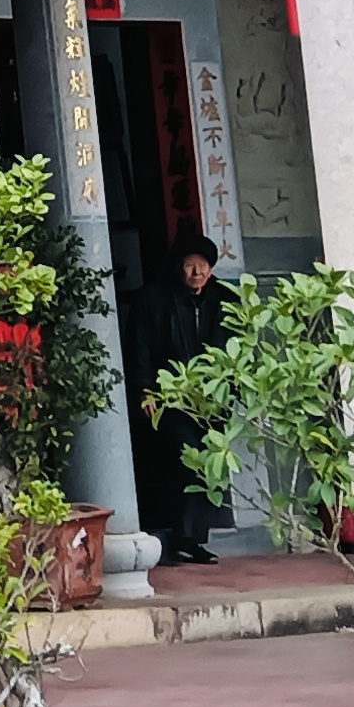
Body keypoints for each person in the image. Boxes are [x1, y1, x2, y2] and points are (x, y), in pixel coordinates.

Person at [125, 237, 234, 567]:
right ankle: (181, 536)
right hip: (170, 397)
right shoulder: (154, 300)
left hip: (212, 399)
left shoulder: (225, 300)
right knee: (187, 458)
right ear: (178, 268)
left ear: (212, 269)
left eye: (203, 265)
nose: (196, 271)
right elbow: (139, 347)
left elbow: (236, 347)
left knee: (210, 463)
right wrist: (145, 389)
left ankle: (193, 538)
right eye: (190, 264)